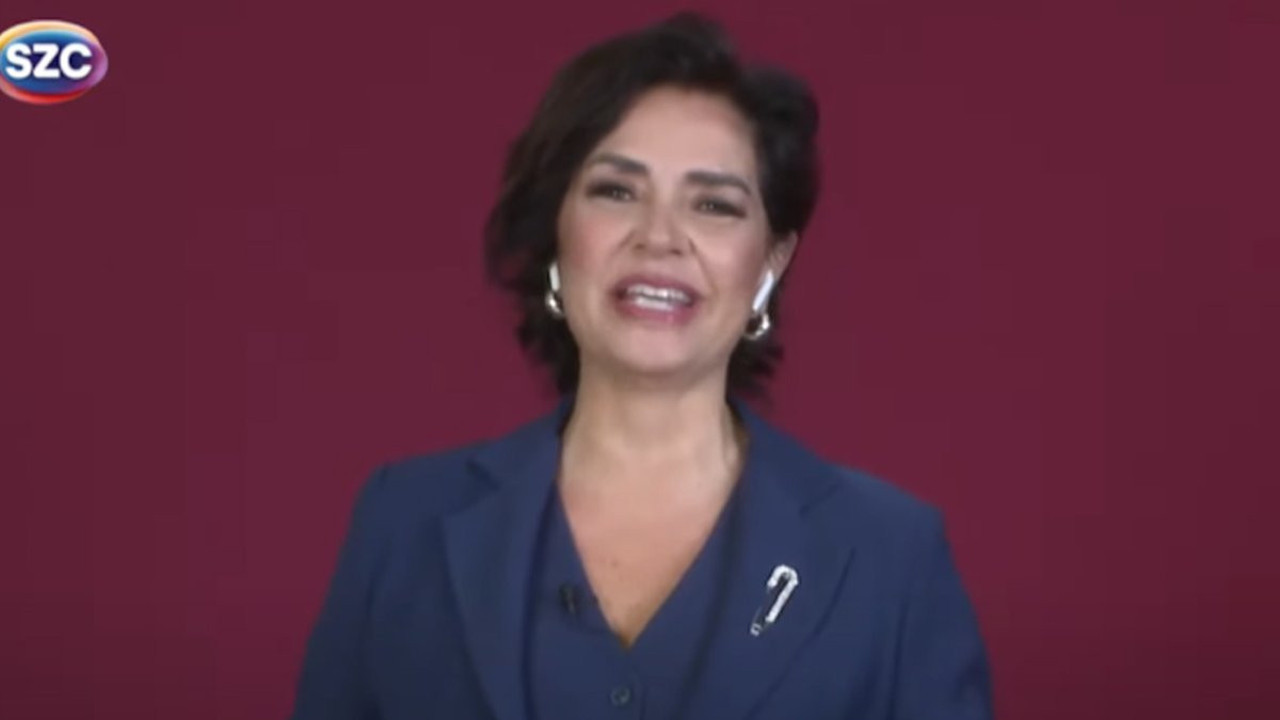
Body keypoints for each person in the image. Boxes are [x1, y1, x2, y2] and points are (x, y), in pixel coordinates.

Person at [290, 11, 992, 720]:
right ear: (556, 232)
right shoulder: (404, 522)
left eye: (713, 204)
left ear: (770, 263)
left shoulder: (891, 557)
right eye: (617, 191)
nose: (660, 238)